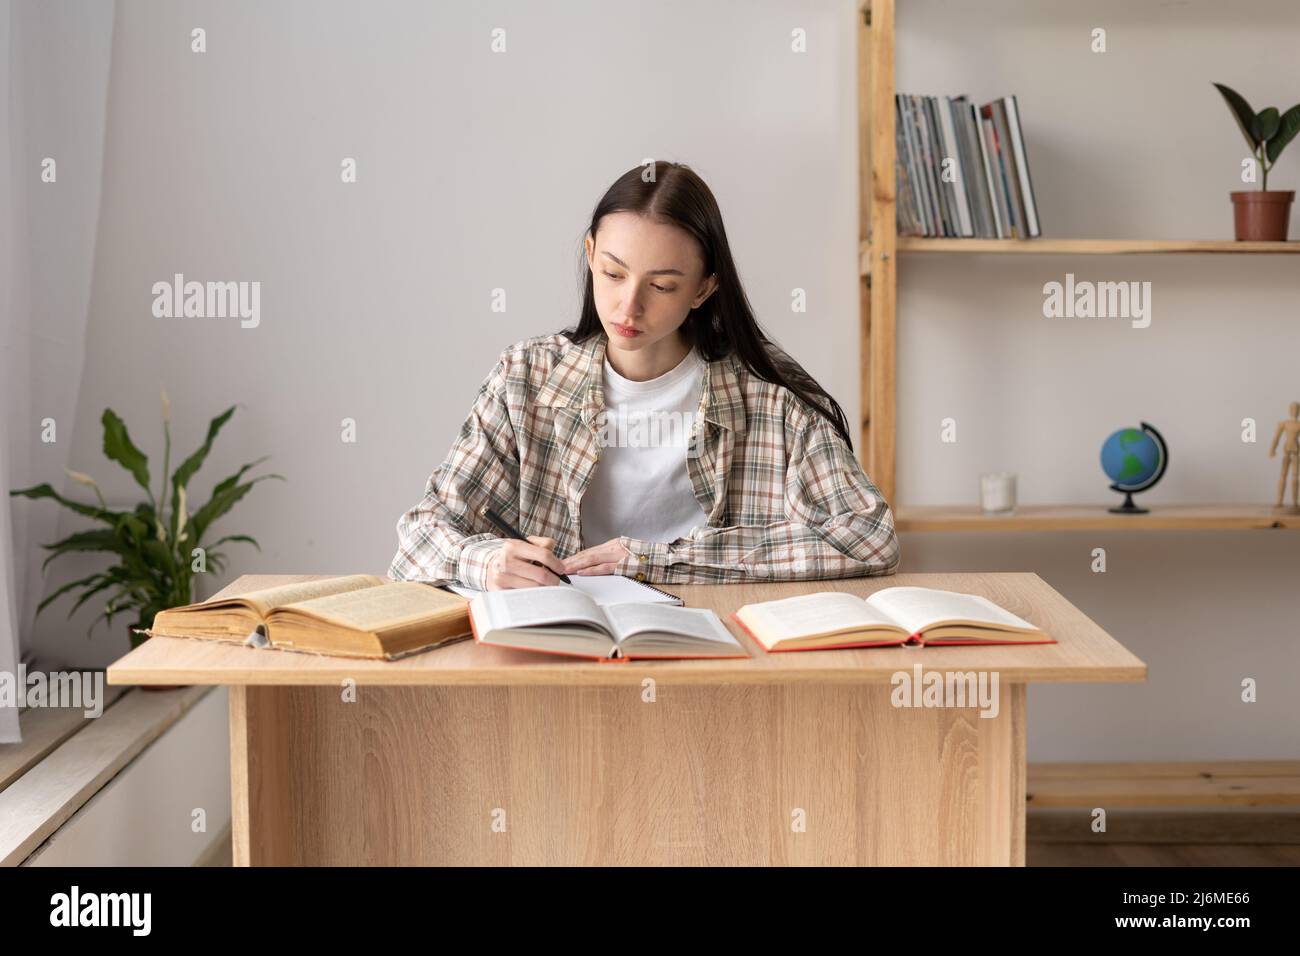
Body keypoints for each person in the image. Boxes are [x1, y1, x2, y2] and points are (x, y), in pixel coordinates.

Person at [388, 160, 900, 590]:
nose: (627, 306)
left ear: (702, 290)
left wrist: (660, 561)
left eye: (661, 286)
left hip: (716, 657)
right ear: (590, 255)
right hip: (563, 652)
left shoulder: (771, 404)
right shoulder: (525, 379)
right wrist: (487, 561)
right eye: (612, 274)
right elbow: (421, 533)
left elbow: (870, 536)